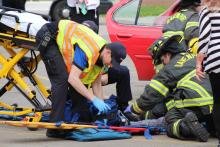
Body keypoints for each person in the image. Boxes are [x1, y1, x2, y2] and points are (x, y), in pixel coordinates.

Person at [35, 19, 125, 137]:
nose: (111, 65)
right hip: (48, 37)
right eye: (111, 62)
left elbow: (96, 83)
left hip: (60, 39)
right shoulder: (88, 50)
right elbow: (72, 79)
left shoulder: (102, 57)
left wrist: (102, 110)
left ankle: (81, 121)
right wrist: (93, 99)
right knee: (62, 80)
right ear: (108, 52)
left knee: (79, 84)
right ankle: (54, 126)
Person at [125, 35, 214, 142]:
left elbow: (151, 94)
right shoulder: (193, 57)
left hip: (197, 103)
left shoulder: (170, 68)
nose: (163, 64)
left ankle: (185, 126)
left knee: (170, 119)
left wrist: (134, 109)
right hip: (214, 103)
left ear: (167, 55)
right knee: (212, 124)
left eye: (162, 60)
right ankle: (212, 128)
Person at [83, 20, 133, 111]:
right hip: (81, 80)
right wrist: (95, 97)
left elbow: (101, 80)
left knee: (123, 71)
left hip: (97, 76)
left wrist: (101, 99)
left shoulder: (101, 49)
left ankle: (124, 106)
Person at [196, 0, 220, 146]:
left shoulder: (207, 12)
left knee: (218, 101)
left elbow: (205, 37)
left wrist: (198, 63)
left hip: (217, 59)